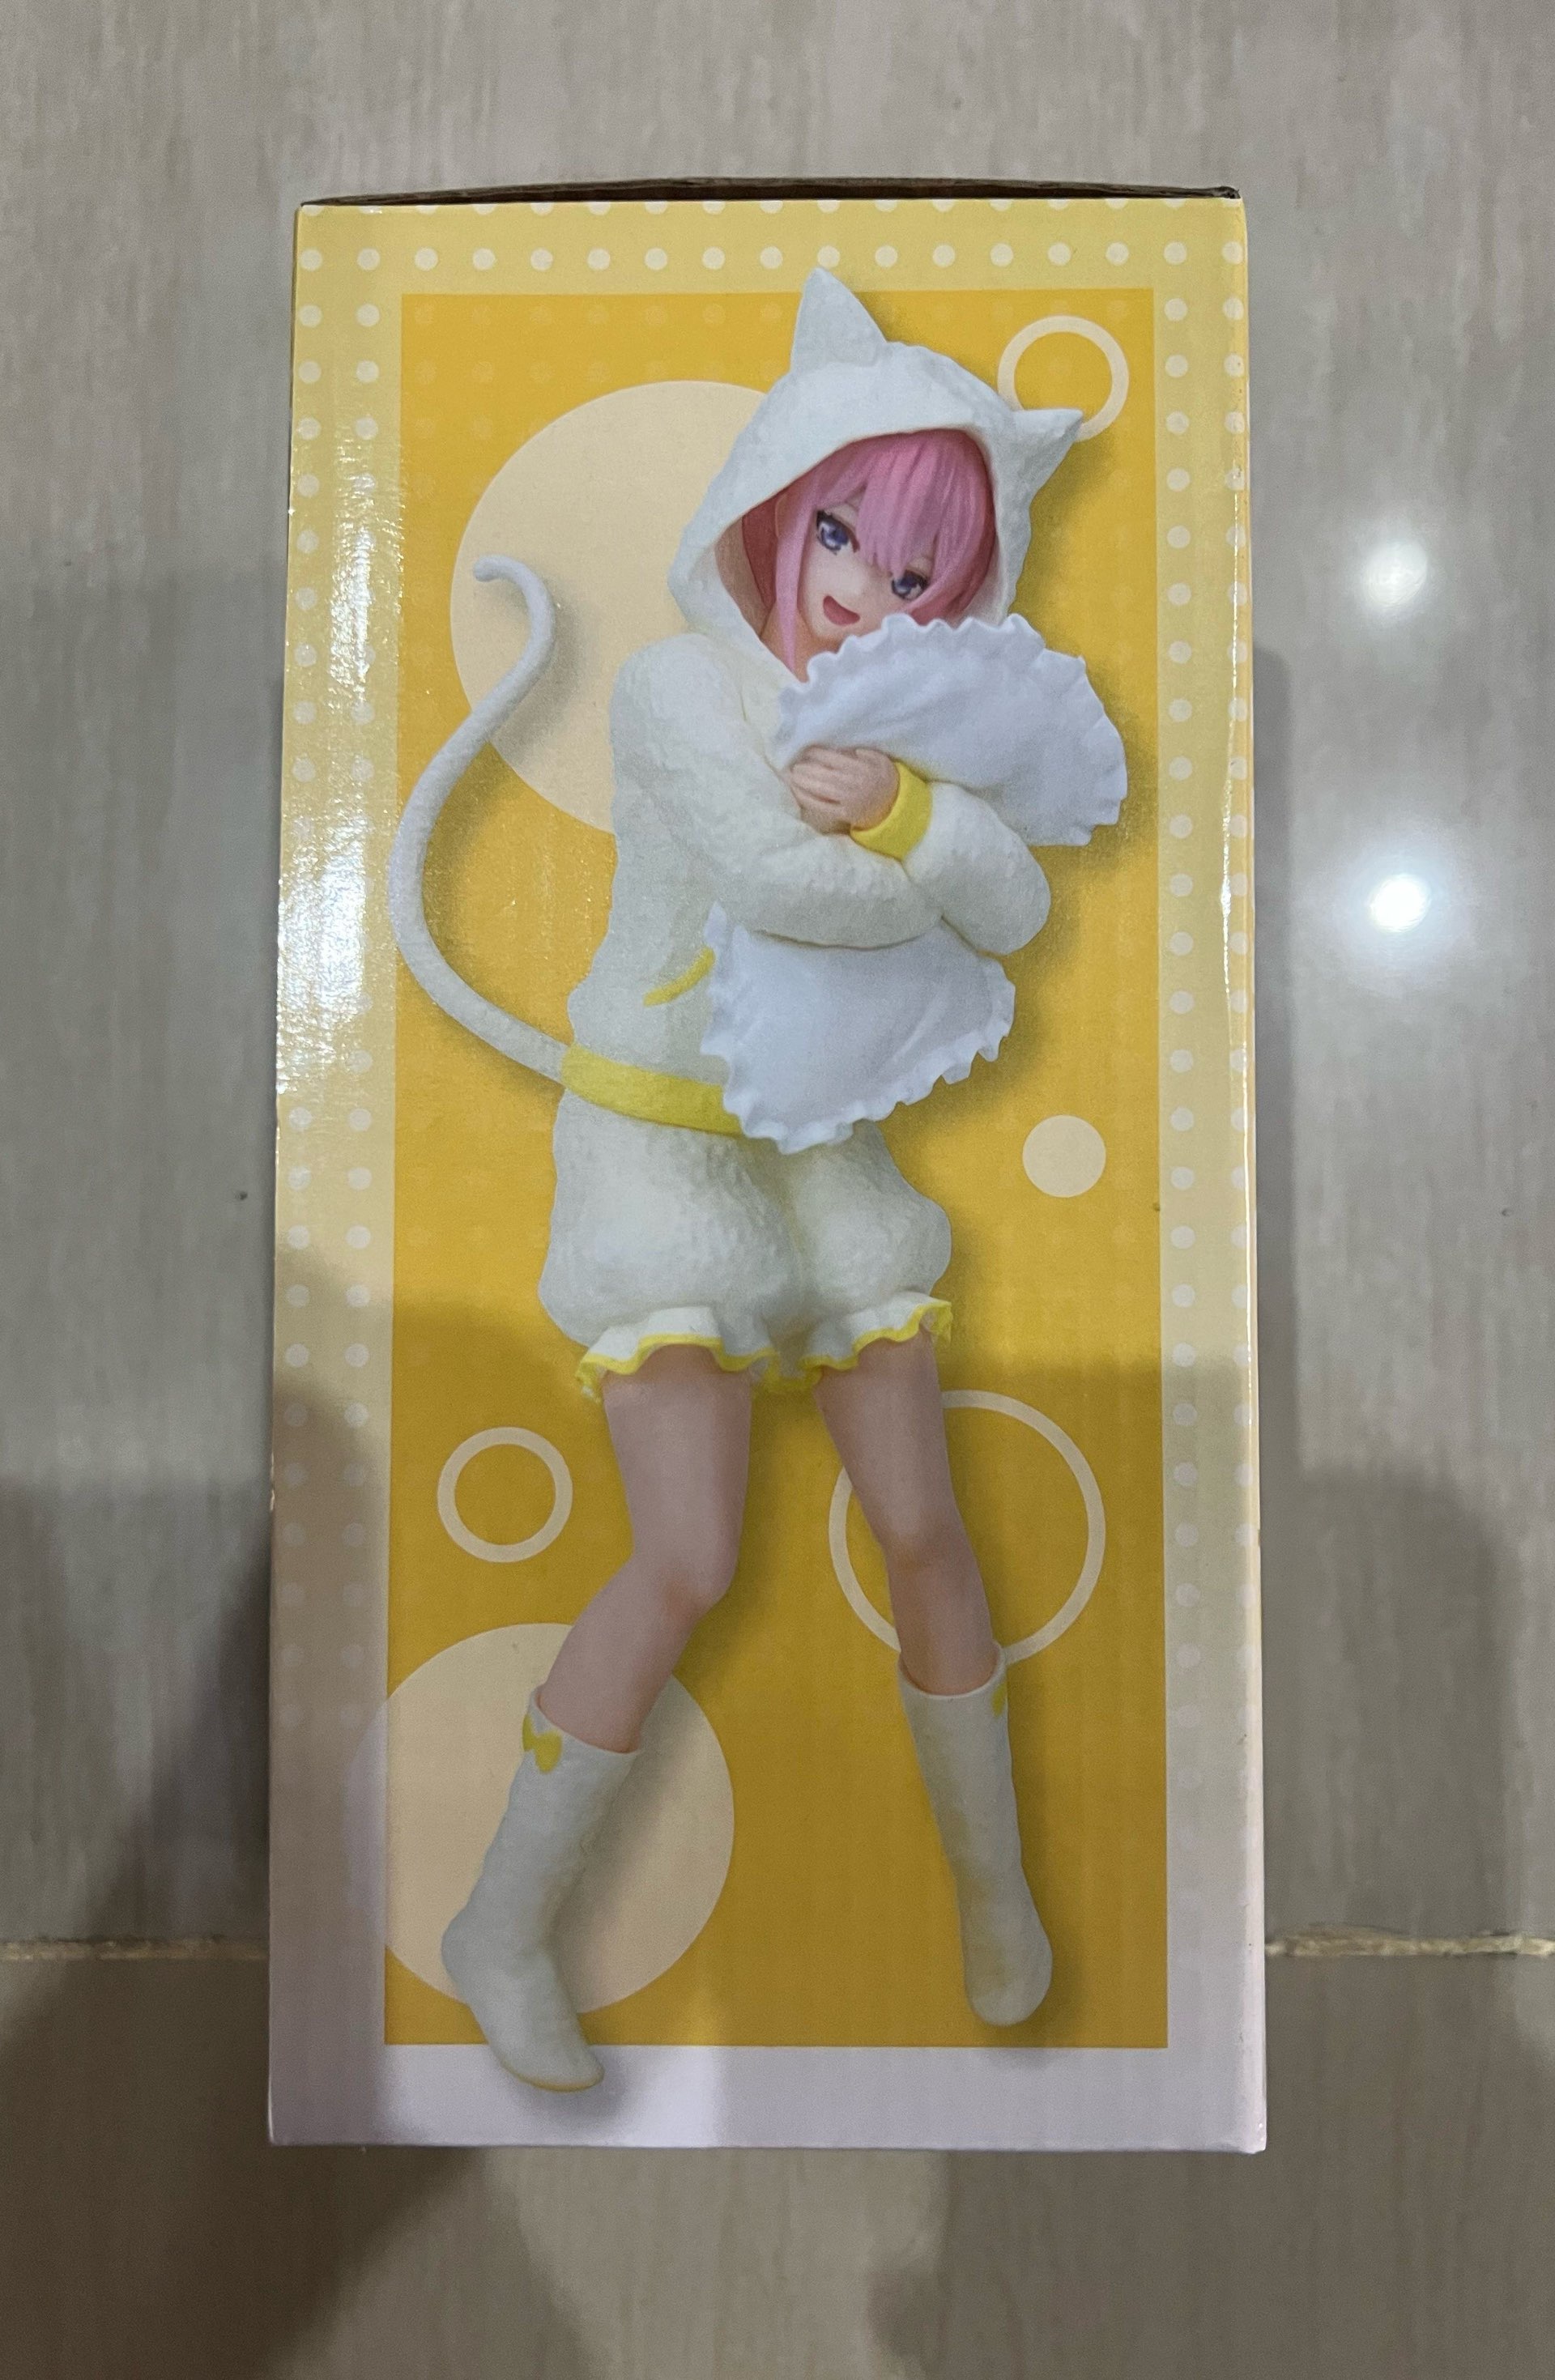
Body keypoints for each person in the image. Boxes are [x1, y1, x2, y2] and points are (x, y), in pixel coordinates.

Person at [424, 271, 1091, 2090]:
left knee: (926, 1527)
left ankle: (996, 1893)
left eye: (920, 570)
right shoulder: (674, 688)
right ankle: (503, 1925)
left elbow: (1014, 905)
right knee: (689, 1556)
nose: (868, 590)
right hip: (657, 1149)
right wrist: (916, 863)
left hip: (821, 1153)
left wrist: (911, 818)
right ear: (774, 514)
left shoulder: (907, 733)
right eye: (844, 535)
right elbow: (789, 891)